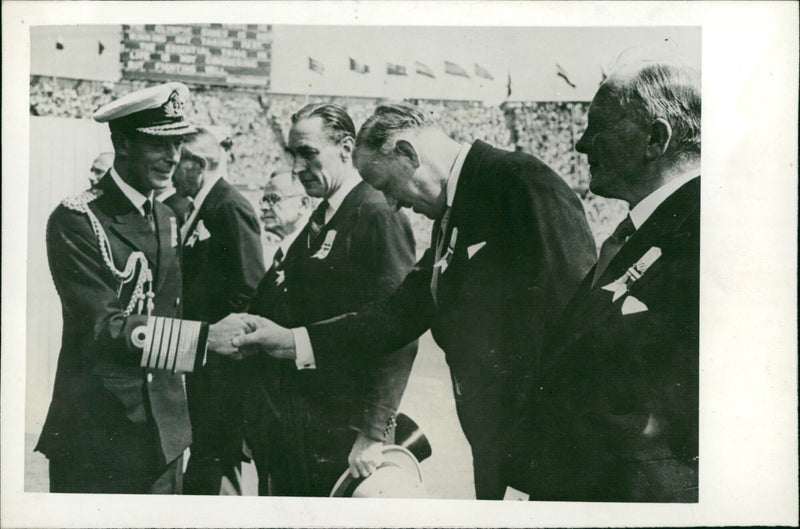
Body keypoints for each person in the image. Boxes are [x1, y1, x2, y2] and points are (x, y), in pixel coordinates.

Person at [227, 103, 598, 499]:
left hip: (549, 452)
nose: (391, 204)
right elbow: (394, 316)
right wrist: (289, 340)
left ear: (407, 153)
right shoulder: (452, 212)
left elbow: (581, 322)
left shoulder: (519, 182)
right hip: (500, 448)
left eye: (387, 187)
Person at [36, 82, 249, 493]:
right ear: (124, 143)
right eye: (159, 144)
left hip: (166, 435)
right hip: (98, 433)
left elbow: (170, 310)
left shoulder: (167, 216)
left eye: (178, 144)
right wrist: (206, 339)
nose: (173, 158)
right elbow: (102, 327)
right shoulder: (77, 220)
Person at [511, 61, 701, 502]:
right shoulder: (647, 230)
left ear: (656, 139)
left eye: (597, 128)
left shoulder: (706, 229)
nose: (580, 144)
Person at [240, 103, 418, 497]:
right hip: (300, 425)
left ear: (345, 147)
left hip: (343, 432)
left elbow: (400, 327)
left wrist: (373, 431)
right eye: (292, 155)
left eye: (308, 153)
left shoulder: (376, 211)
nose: (298, 167)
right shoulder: (323, 217)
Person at [170, 127, 265, 495]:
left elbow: (248, 289)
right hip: (202, 360)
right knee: (207, 457)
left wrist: (222, 350)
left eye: (178, 162)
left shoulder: (228, 206)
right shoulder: (203, 206)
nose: (171, 171)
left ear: (197, 164)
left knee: (217, 461)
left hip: (221, 370)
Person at [258, 169, 312, 263]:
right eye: (264, 200)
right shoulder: (285, 250)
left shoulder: (314, 252)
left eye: (273, 198)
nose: (263, 207)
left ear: (303, 204)